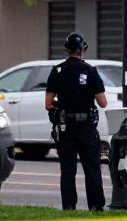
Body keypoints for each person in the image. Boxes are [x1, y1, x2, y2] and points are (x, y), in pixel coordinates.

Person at [45, 32, 108, 211]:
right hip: (87, 128)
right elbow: (103, 102)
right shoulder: (90, 70)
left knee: (67, 170)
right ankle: (96, 207)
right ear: (82, 50)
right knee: (92, 169)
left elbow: (48, 104)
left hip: (66, 127)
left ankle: (69, 206)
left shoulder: (57, 71)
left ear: (67, 49)